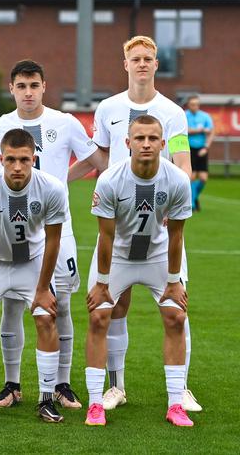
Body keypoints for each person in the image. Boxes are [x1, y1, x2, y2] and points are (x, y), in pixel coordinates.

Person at [70, 35, 200, 412]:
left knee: (177, 306)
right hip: (118, 222)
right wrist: (54, 180)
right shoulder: (108, 108)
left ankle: (182, 388)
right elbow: (101, 159)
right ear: (125, 64)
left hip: (158, 223)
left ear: (156, 64)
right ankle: (116, 386)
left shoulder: (172, 112)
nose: (142, 63)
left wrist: (172, 196)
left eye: (148, 58)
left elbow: (183, 163)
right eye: (135, 58)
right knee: (115, 306)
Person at [0, 59, 108, 409]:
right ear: (12, 89)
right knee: (12, 307)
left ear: (44, 87)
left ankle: (60, 384)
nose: (28, 92)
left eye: (34, 86)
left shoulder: (64, 122)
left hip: (54, 230)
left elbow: (98, 162)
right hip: (8, 228)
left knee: (58, 304)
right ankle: (12, 384)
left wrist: (62, 181)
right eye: (22, 86)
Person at [84, 114, 193, 427]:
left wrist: (174, 282)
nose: (146, 144)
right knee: (98, 315)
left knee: (176, 316)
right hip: (118, 256)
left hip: (157, 255)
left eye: (152, 138)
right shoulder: (109, 180)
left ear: (162, 143)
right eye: (140, 138)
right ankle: (95, 404)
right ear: (127, 143)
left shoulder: (176, 180)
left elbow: (176, 235)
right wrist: (102, 283)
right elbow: (105, 236)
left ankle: (176, 404)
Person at [0, 128, 67, 423]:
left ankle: (47, 400)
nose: (18, 167)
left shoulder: (52, 188)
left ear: (34, 158)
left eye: (24, 159)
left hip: (32, 262)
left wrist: (43, 288)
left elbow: (53, 241)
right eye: (11, 159)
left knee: (46, 317)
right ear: (0, 159)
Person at [185, 94, 215, 211]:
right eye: (192, 104)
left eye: (197, 104)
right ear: (188, 105)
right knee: (191, 176)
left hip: (202, 148)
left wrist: (206, 147)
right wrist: (200, 130)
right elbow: (184, 130)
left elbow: (211, 132)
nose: (195, 106)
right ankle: (192, 204)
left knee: (203, 178)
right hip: (189, 149)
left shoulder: (205, 116)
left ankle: (194, 197)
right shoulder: (184, 115)